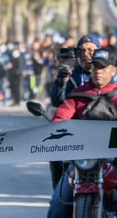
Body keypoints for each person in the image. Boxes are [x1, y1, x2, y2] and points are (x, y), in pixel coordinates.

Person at [47, 48, 117, 218]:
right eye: (95, 67)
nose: (98, 72)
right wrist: (54, 129)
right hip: (81, 162)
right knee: (57, 206)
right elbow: (62, 116)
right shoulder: (79, 94)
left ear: (113, 70)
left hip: (114, 161)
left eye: (103, 67)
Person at [48, 33, 102, 190]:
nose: (87, 55)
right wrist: (60, 83)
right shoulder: (70, 75)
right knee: (55, 154)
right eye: (83, 50)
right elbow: (59, 103)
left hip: (103, 134)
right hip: (76, 133)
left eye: (92, 51)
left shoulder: (112, 78)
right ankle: (59, 191)